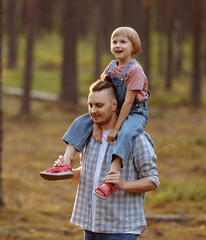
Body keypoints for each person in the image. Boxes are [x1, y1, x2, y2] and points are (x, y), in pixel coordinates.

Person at [40, 26, 150, 200]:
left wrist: (115, 129)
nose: (117, 45)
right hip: (114, 107)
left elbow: (128, 102)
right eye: (114, 42)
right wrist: (97, 125)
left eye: (123, 42)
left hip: (134, 112)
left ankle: (111, 177)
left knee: (126, 132)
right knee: (81, 122)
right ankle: (66, 163)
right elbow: (100, 91)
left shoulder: (134, 70)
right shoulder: (112, 66)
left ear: (133, 46)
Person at [53, 79, 159, 239]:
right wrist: (68, 172)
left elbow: (152, 181)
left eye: (99, 105)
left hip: (121, 231)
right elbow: (89, 174)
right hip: (91, 228)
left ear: (115, 105)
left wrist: (122, 184)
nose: (93, 111)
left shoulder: (136, 138)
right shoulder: (89, 136)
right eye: (90, 105)